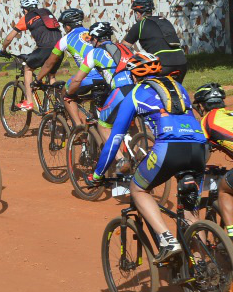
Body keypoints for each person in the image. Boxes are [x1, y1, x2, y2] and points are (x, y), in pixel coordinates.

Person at [88, 61, 208, 263]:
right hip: (200, 147)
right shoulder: (177, 87)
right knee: (190, 211)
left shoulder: (135, 93)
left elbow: (115, 138)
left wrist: (98, 173)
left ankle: (166, 239)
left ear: (133, 77)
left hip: (169, 148)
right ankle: (202, 267)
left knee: (139, 189)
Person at [65, 22, 137, 139]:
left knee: (103, 126)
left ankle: (119, 158)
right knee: (130, 122)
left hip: (120, 91)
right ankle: (138, 148)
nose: (90, 42)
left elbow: (77, 80)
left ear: (96, 39)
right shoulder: (125, 48)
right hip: (137, 90)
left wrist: (69, 94)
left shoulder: (94, 53)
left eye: (91, 39)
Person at [36, 8, 102, 126]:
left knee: (66, 93)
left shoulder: (65, 39)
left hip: (88, 76)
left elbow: (49, 63)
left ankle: (78, 127)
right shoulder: (92, 34)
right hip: (106, 75)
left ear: (67, 27)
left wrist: (38, 79)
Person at [0, 0, 62, 111]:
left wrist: (3, 49)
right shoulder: (46, 13)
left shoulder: (27, 17)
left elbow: (9, 38)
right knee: (51, 76)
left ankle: (28, 102)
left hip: (45, 49)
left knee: (28, 68)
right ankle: (60, 104)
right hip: (60, 48)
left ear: (25, 9)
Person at [195, 83, 233, 234]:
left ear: (203, 105)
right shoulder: (230, 114)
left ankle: (231, 235)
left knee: (224, 189)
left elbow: (202, 151)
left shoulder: (207, 120)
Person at [122, 0, 187, 82]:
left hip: (163, 64)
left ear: (138, 13)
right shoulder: (164, 21)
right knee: (176, 91)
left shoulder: (140, 25)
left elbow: (123, 48)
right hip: (182, 62)